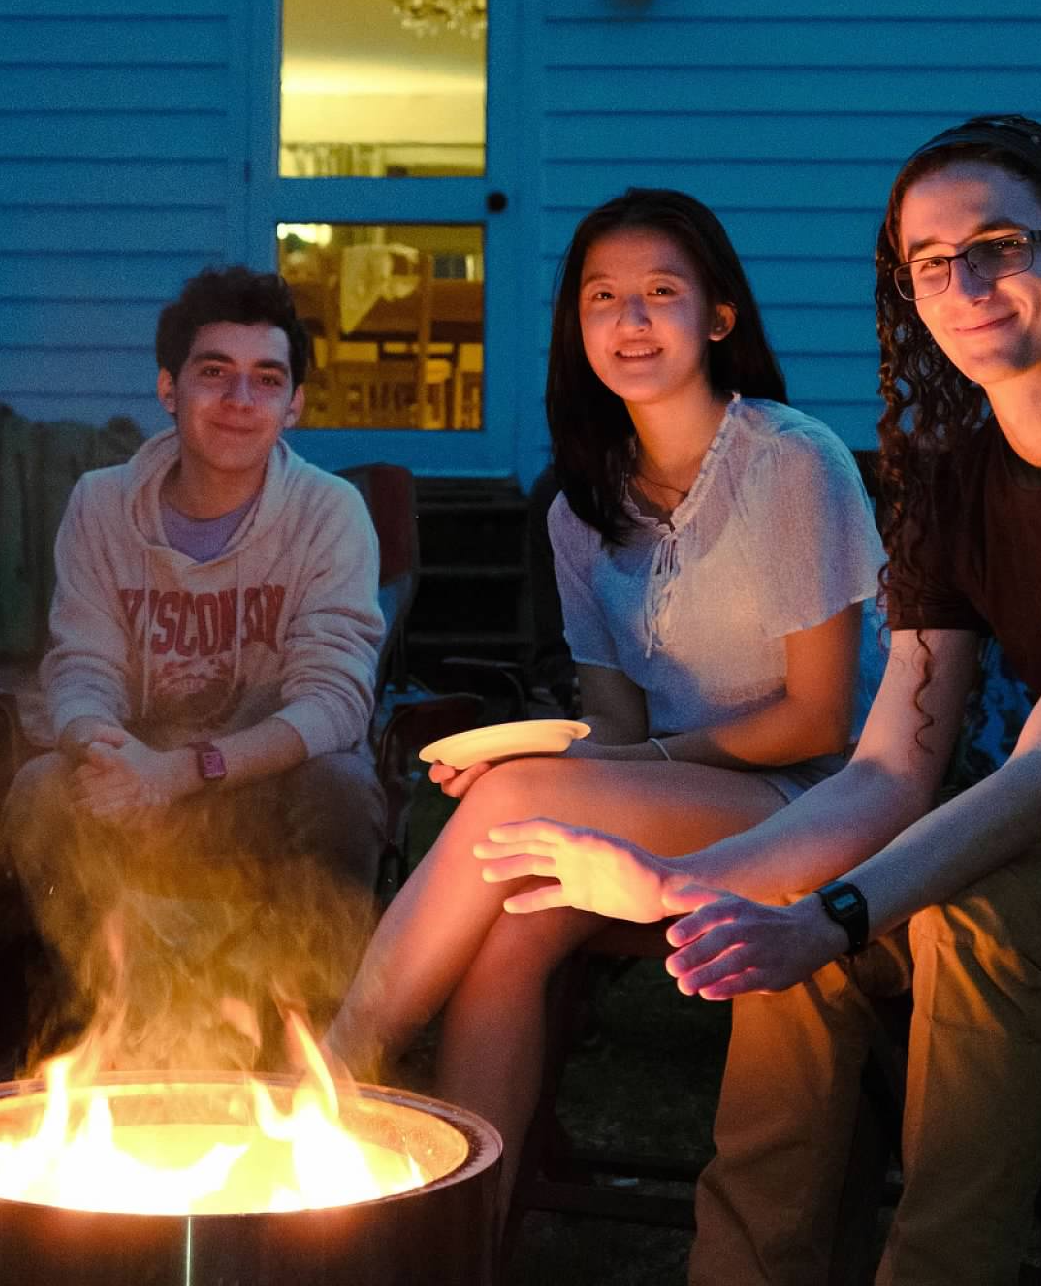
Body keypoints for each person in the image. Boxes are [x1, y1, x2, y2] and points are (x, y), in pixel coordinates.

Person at [468, 116, 1041, 1285]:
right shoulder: (954, 471)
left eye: (999, 246)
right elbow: (889, 767)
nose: (963, 285)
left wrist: (827, 913)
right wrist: (715, 889)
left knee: (972, 928)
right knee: (794, 916)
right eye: (928, 262)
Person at [327, 188, 887, 1199]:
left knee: (514, 806)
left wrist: (576, 774)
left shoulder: (791, 462)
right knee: (511, 923)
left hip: (833, 800)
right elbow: (620, 723)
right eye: (602, 297)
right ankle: (466, 1239)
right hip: (700, 795)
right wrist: (532, 750)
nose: (628, 321)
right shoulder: (584, 503)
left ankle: (323, 1080)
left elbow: (818, 717)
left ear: (718, 315)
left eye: (659, 292)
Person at [3, 265, 388, 1065]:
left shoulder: (327, 513)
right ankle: (113, 1024)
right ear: (168, 389)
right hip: (134, 777)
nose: (241, 400)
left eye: (266, 380)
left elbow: (335, 702)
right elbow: (81, 667)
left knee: (343, 791)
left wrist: (182, 772)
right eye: (215, 374)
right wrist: (106, 752)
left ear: (296, 406)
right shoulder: (103, 504)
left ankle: (298, 1044)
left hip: (258, 779)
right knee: (39, 792)